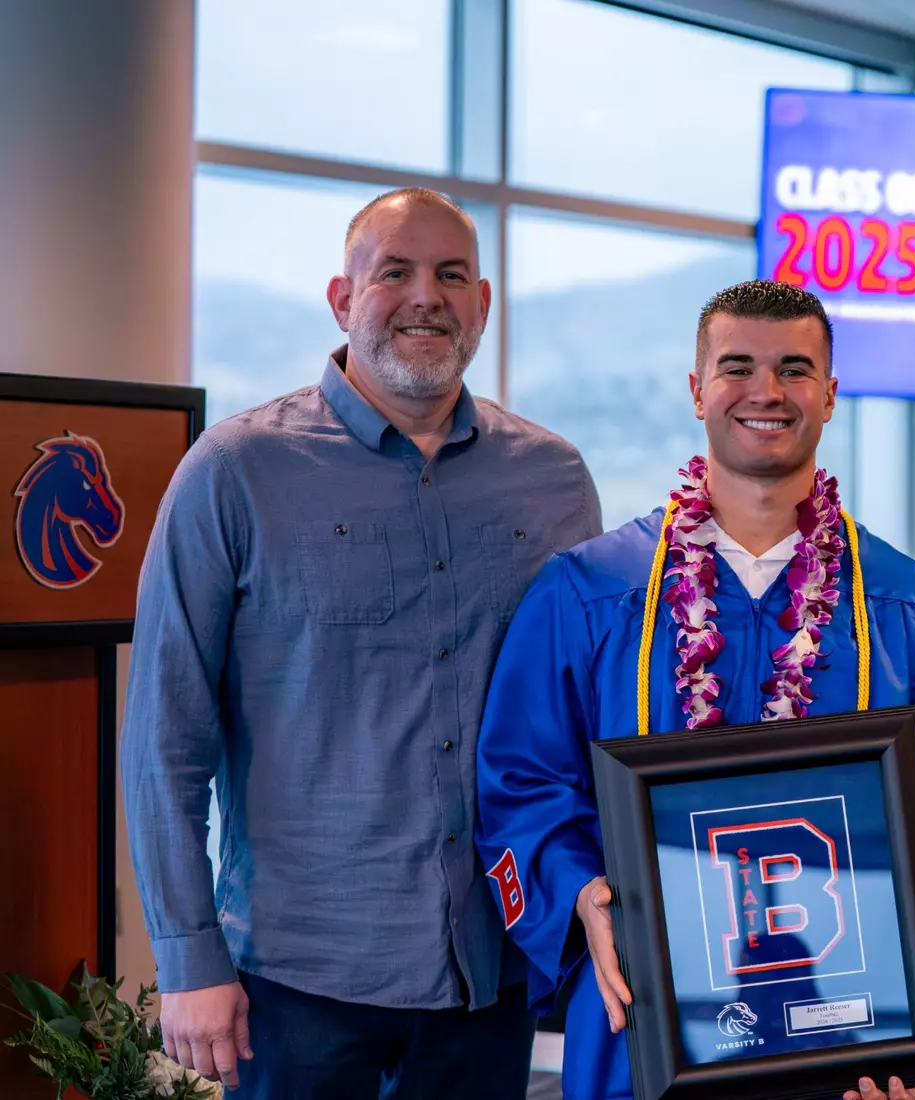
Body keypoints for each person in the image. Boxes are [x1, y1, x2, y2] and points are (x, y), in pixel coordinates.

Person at [474, 281, 915, 1100]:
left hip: (853, 1048)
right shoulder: (588, 597)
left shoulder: (914, 608)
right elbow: (517, 786)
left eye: (795, 369)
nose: (766, 391)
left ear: (831, 395)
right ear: (696, 389)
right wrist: (577, 894)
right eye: (737, 367)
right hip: (645, 1035)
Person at [121, 187, 602, 1098]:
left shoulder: (553, 479)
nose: (427, 295)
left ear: (484, 304)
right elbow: (163, 743)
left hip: (491, 968)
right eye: (396, 272)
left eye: (451, 275)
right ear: (344, 302)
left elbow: (579, 716)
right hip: (298, 981)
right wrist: (189, 960)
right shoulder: (233, 472)